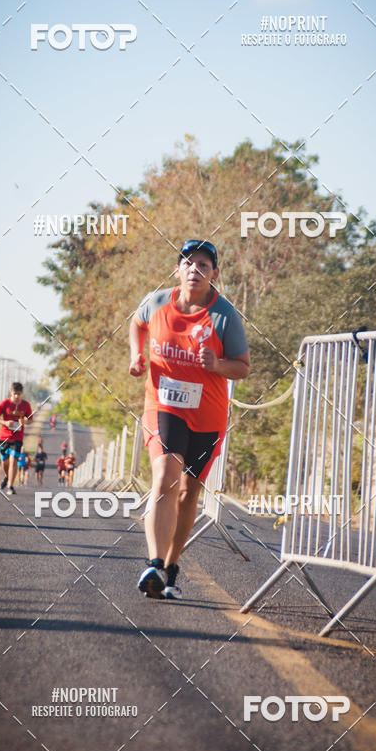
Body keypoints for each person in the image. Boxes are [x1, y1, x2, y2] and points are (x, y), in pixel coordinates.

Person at [129, 239, 249, 600]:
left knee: (187, 492)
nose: (194, 269)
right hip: (163, 406)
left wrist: (216, 365)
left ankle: (171, 565)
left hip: (207, 415)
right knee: (165, 477)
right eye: (187, 263)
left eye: (202, 264)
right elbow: (136, 323)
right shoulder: (157, 302)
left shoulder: (223, 315)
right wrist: (137, 356)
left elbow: (243, 367)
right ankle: (152, 562)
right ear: (178, 269)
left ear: (214, 273)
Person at [0, 382, 33, 495]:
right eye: (15, 393)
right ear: (11, 392)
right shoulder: (5, 403)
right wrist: (5, 422)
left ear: (21, 393)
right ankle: (7, 477)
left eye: (19, 394)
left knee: (13, 461)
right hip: (4, 437)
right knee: (5, 462)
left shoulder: (26, 405)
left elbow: (31, 420)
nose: (17, 396)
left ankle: (10, 487)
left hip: (17, 437)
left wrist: (25, 421)